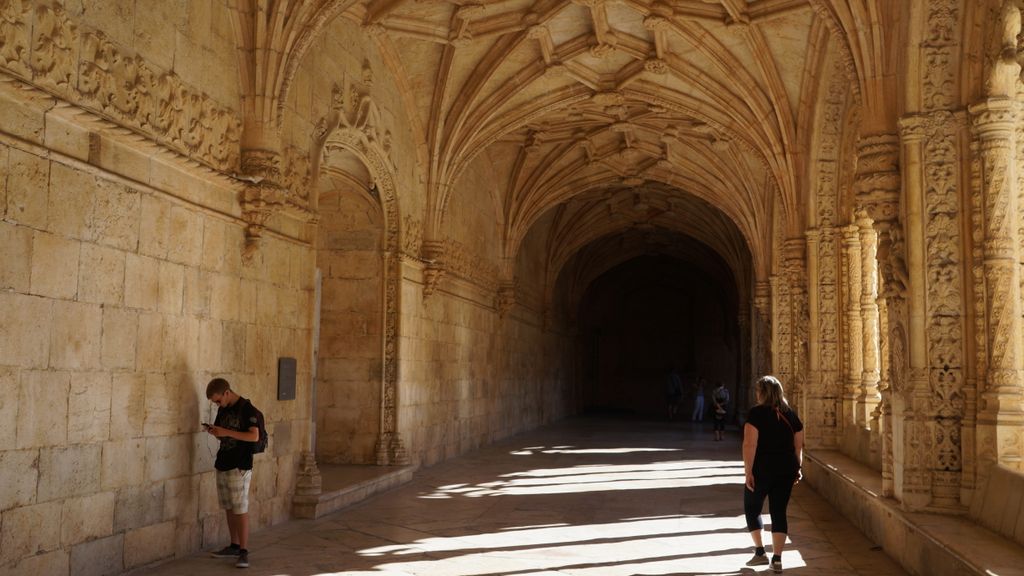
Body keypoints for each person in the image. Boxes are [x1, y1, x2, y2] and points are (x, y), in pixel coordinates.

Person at [743, 375, 804, 573]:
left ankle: (760, 552)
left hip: (762, 468)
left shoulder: (756, 414)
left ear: (762, 393)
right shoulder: (792, 416)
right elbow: (798, 447)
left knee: (752, 507)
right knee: (779, 511)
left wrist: (748, 472)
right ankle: (777, 559)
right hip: (786, 469)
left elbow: (750, 444)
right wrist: (798, 468)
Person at [205, 378, 261, 569]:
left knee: (240, 507)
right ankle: (234, 545)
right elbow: (223, 430)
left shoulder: (247, 409)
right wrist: (215, 431)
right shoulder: (224, 408)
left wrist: (227, 433)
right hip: (223, 462)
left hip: (240, 465)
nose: (217, 404)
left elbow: (254, 435)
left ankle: (244, 551)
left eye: (218, 400)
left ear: (227, 393)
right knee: (229, 506)